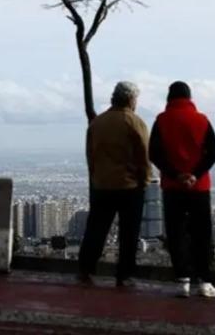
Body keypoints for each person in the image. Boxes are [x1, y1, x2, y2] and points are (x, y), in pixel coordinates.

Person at [149, 81, 215, 298]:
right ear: (190, 98)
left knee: (176, 232)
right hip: (199, 187)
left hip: (172, 187)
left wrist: (176, 174)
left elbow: (154, 153)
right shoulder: (202, 120)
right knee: (202, 233)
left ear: (169, 97)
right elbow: (214, 152)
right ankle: (205, 281)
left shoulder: (161, 120)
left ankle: (182, 280)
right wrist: (195, 175)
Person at [78, 81, 152, 287]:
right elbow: (144, 156)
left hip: (102, 184)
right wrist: (145, 180)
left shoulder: (98, 123)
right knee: (128, 233)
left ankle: (85, 269)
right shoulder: (135, 123)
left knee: (96, 229)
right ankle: (124, 275)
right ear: (131, 100)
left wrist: (95, 176)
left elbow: (90, 155)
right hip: (129, 187)